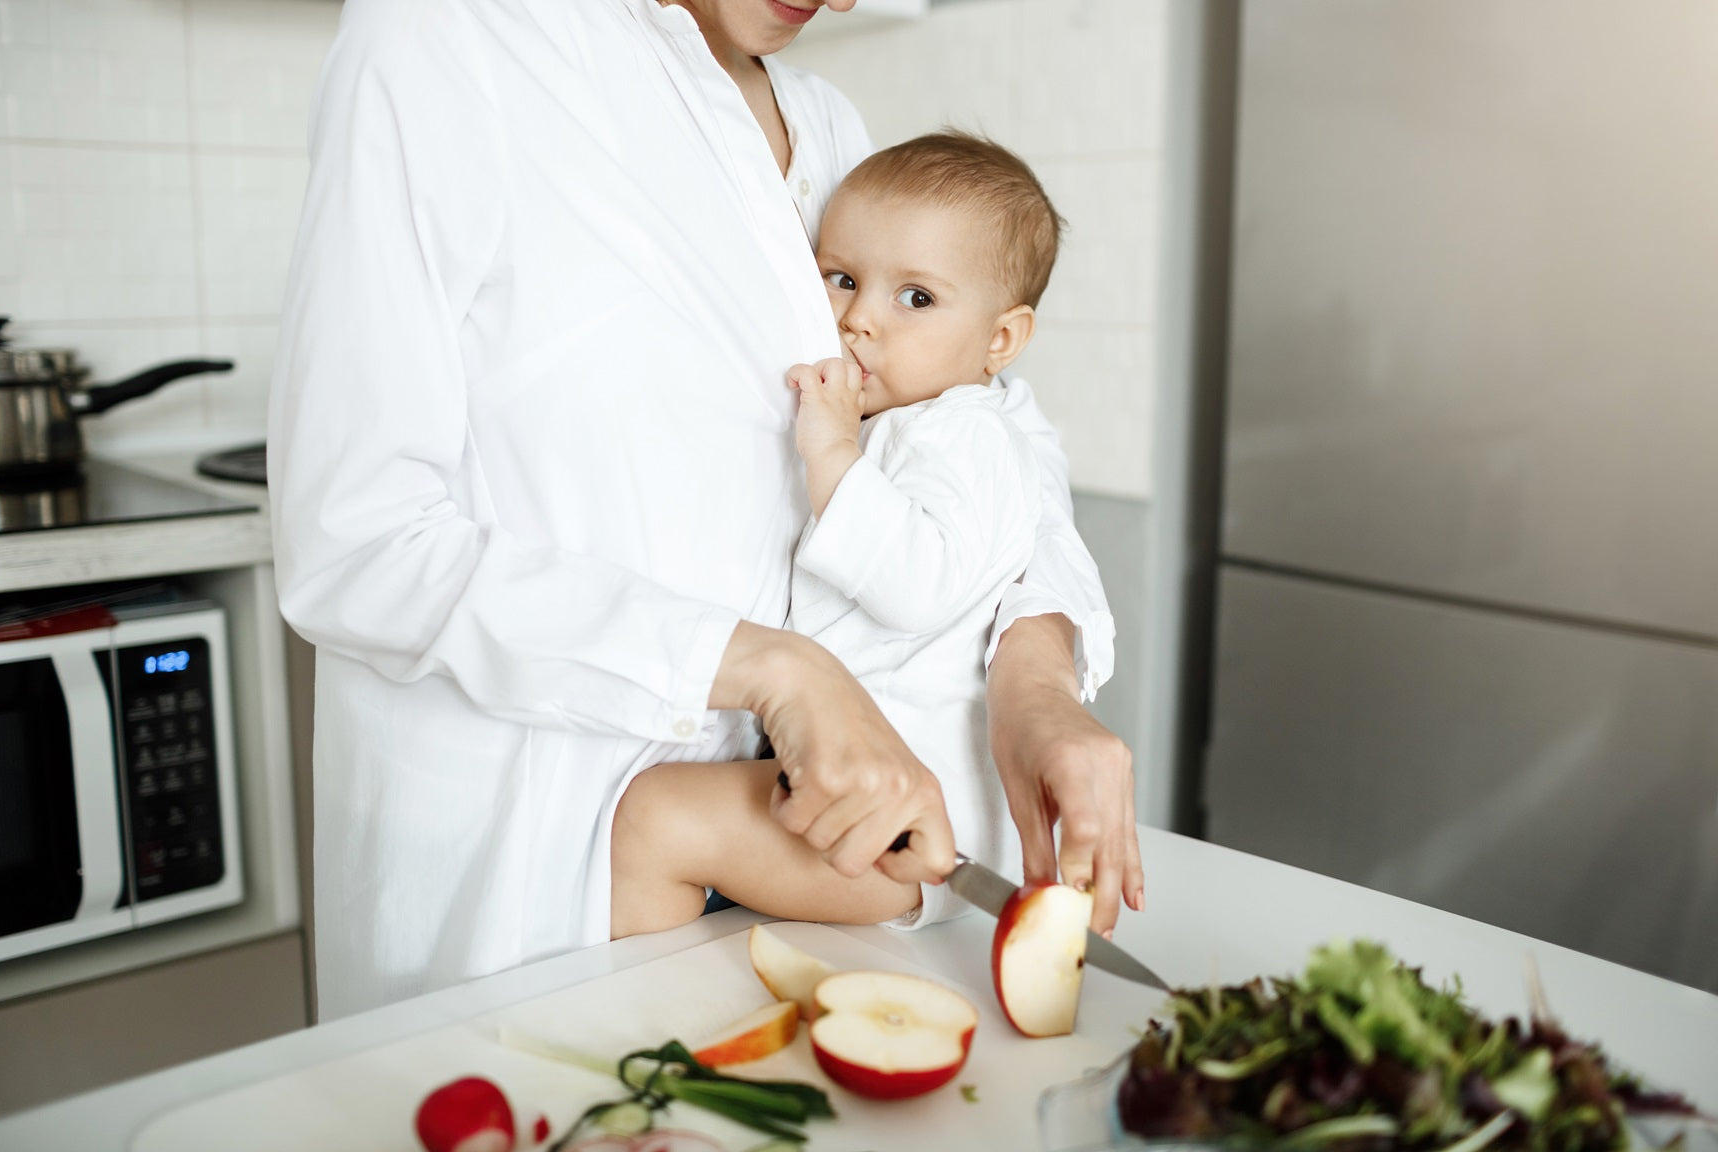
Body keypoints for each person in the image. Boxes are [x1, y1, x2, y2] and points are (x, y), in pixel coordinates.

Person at [269, 0, 1143, 1022]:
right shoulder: (452, 43)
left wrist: (1034, 678)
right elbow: (357, 545)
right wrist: (771, 669)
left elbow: (996, 436)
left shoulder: (829, 131)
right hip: (533, 880)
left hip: (786, 891)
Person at [612, 132, 1066, 935]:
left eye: (915, 298)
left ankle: (635, 1024)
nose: (859, 320)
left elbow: (921, 581)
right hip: (861, 797)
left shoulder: (968, 436)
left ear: (1001, 340)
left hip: (902, 820)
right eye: (843, 279)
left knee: (655, 818)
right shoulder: (910, 421)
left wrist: (831, 452)